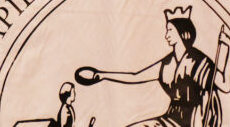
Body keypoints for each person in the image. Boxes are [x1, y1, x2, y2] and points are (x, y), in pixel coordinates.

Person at [75, 7, 221, 127]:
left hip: (193, 121)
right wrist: (102, 75)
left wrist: (228, 48)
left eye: (170, 30)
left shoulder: (199, 61)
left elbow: (223, 85)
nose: (166, 35)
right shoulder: (167, 63)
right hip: (170, 118)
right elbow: (135, 76)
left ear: (181, 32)